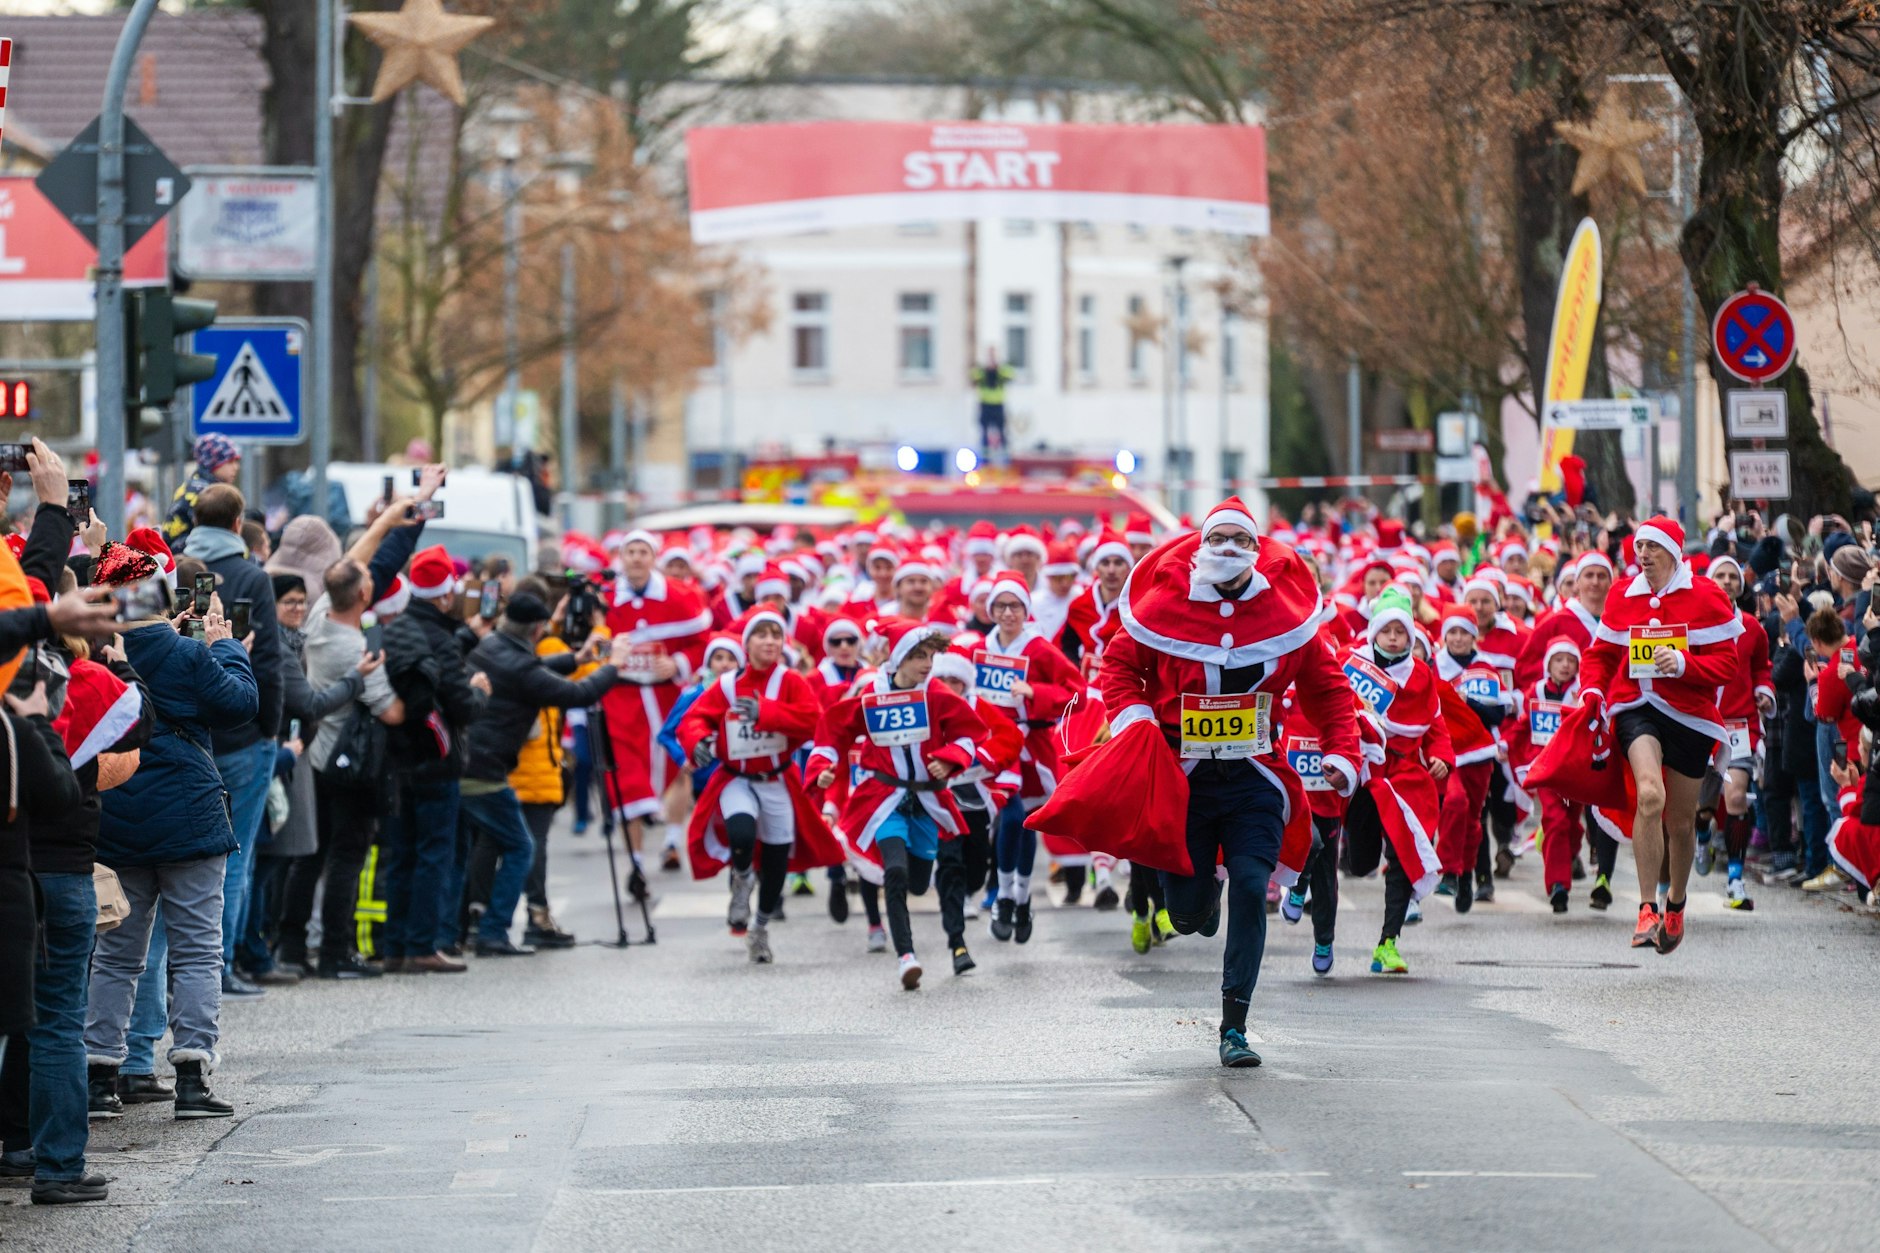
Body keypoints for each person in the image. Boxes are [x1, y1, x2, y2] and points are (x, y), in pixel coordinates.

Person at [1074, 497, 1361, 1067]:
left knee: (1253, 888)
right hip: (1185, 779)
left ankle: (1235, 1027)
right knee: (1185, 915)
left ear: (1258, 552)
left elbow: (1330, 691)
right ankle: (1194, 904)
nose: (1229, 548)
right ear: (1201, 548)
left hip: (1255, 775)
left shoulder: (1288, 616)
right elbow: (1119, 668)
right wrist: (1135, 720)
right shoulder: (1164, 608)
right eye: (1219, 538)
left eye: (1242, 540)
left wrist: (1342, 753)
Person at [88, 541, 258, 1119]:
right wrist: (226, 646)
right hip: (189, 815)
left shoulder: (97, 650)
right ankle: (191, 1077)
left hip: (117, 812)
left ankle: (99, 1077)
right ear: (163, 593)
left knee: (114, 952)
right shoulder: (186, 654)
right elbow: (240, 704)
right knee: (196, 950)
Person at [1578, 516, 1742, 953]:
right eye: (1638, 549)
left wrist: (1686, 665)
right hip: (1638, 709)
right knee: (1650, 795)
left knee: (1682, 823)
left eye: (1651, 547)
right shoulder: (1622, 595)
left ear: (1673, 551)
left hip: (1689, 714)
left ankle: (1676, 903)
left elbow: (1728, 665)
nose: (1643, 555)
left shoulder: (1706, 595)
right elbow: (1601, 657)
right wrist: (1593, 690)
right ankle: (1646, 908)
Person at [809, 618, 988, 989]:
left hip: (927, 798)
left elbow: (971, 733)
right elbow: (833, 728)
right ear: (899, 658)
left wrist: (951, 757)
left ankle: (916, 920)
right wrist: (823, 767)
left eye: (931, 656)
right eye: (919, 656)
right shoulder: (871, 696)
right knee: (896, 871)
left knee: (920, 882)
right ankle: (906, 956)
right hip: (884, 798)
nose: (927, 664)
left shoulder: (937, 694)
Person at [460, 591, 625, 955]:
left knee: (479, 846)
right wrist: (613, 664)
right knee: (521, 847)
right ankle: (493, 931)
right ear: (537, 629)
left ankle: (467, 926)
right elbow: (580, 693)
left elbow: (533, 670)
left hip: (469, 762)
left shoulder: (491, 646)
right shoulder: (520, 666)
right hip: (486, 770)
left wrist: (577, 657)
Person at [680, 612, 843, 965]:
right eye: (761, 635)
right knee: (741, 832)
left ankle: (760, 928)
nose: (769, 641)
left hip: (777, 780)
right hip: (735, 778)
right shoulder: (725, 685)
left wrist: (766, 712)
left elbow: (812, 722)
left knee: (776, 862)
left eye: (775, 634)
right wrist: (698, 742)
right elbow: (694, 718)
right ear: (747, 643)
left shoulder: (792, 681)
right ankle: (741, 880)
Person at [181, 484, 286, 1000]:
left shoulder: (177, 569)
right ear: (239, 521)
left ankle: (184, 971)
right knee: (235, 856)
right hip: (243, 732)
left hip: (191, 731)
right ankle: (218, 967)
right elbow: (270, 661)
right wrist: (271, 726)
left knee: (187, 859)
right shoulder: (252, 577)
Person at [284, 557, 407, 978]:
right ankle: (336, 951)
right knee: (348, 856)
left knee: (311, 857)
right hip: (350, 765)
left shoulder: (318, 620)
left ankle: (292, 948)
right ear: (363, 595)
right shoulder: (358, 651)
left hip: (316, 755)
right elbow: (390, 712)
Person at [380, 545, 490, 974]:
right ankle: (423, 944)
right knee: (433, 854)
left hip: (398, 756)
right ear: (446, 595)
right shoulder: (441, 636)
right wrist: (480, 690)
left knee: (403, 852)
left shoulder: (400, 628)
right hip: (437, 760)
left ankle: (396, 945)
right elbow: (461, 706)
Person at [598, 530, 711, 898]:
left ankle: (673, 840)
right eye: (629, 551)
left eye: (642, 551)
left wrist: (677, 662)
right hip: (622, 702)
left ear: (653, 557)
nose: (635, 558)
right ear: (621, 557)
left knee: (678, 768)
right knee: (628, 783)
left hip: (667, 700)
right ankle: (635, 862)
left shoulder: (680, 597)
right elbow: (589, 645)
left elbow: (702, 642)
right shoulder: (605, 599)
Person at [1693, 555, 1773, 910]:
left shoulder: (1753, 627)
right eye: (1720, 576)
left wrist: (1764, 692)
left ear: (1740, 585)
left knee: (1736, 797)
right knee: (1703, 805)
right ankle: (1703, 835)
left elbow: (1763, 670)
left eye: (1732, 576)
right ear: (1709, 582)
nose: (1726, 581)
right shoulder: (1693, 625)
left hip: (1739, 724)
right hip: (1701, 723)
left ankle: (1736, 879)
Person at [161, 434, 241, 548]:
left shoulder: (197, 485)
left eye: (237, 461)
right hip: (186, 555)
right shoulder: (204, 492)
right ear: (212, 463)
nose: (236, 467)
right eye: (230, 461)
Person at [973, 347, 1015, 461]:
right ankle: (986, 460)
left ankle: (1006, 459)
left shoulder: (1002, 370)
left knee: (1002, 432)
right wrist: (986, 370)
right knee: (984, 433)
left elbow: (1010, 375)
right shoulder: (981, 370)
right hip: (985, 404)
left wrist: (997, 369)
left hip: (998, 404)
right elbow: (973, 377)